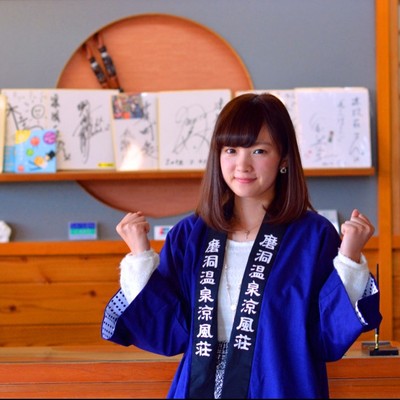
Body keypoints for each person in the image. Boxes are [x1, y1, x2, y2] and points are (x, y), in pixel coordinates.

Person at [102, 93, 381, 399]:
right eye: (231, 150)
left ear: (284, 159)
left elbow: (328, 336)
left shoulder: (313, 237)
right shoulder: (190, 235)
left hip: (278, 387)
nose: (242, 164)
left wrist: (349, 257)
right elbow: (167, 331)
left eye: (259, 150)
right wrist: (140, 256)